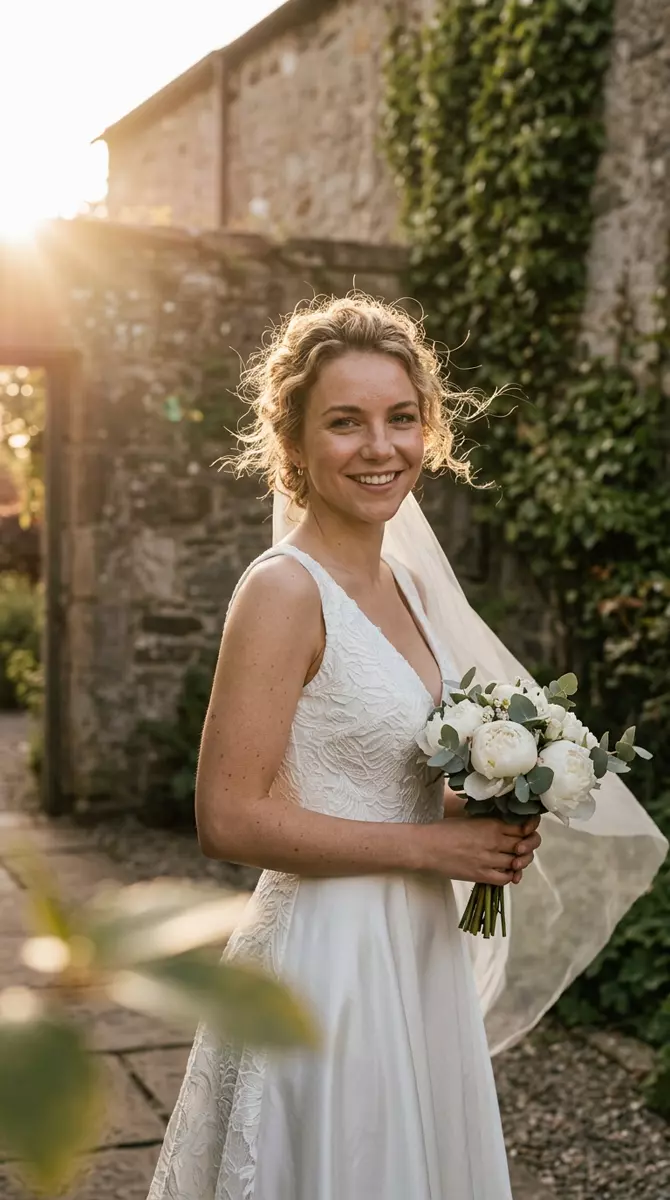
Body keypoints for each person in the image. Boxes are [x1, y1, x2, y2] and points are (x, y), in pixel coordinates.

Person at [145, 294, 666, 1200]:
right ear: (295, 444)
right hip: (328, 959)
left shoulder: (410, 588)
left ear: (431, 430)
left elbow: (382, 776)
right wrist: (435, 845)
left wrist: (487, 806)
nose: (379, 447)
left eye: (401, 418)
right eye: (345, 423)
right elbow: (228, 818)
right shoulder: (281, 590)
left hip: (417, 946)